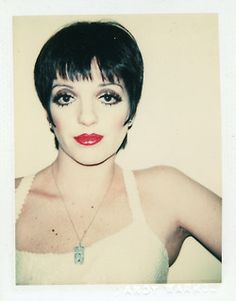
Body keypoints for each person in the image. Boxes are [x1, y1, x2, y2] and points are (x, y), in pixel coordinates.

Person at [15, 20, 221, 285]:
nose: (87, 117)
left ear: (131, 111)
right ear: (49, 112)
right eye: (66, 97)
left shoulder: (167, 192)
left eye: (107, 97)